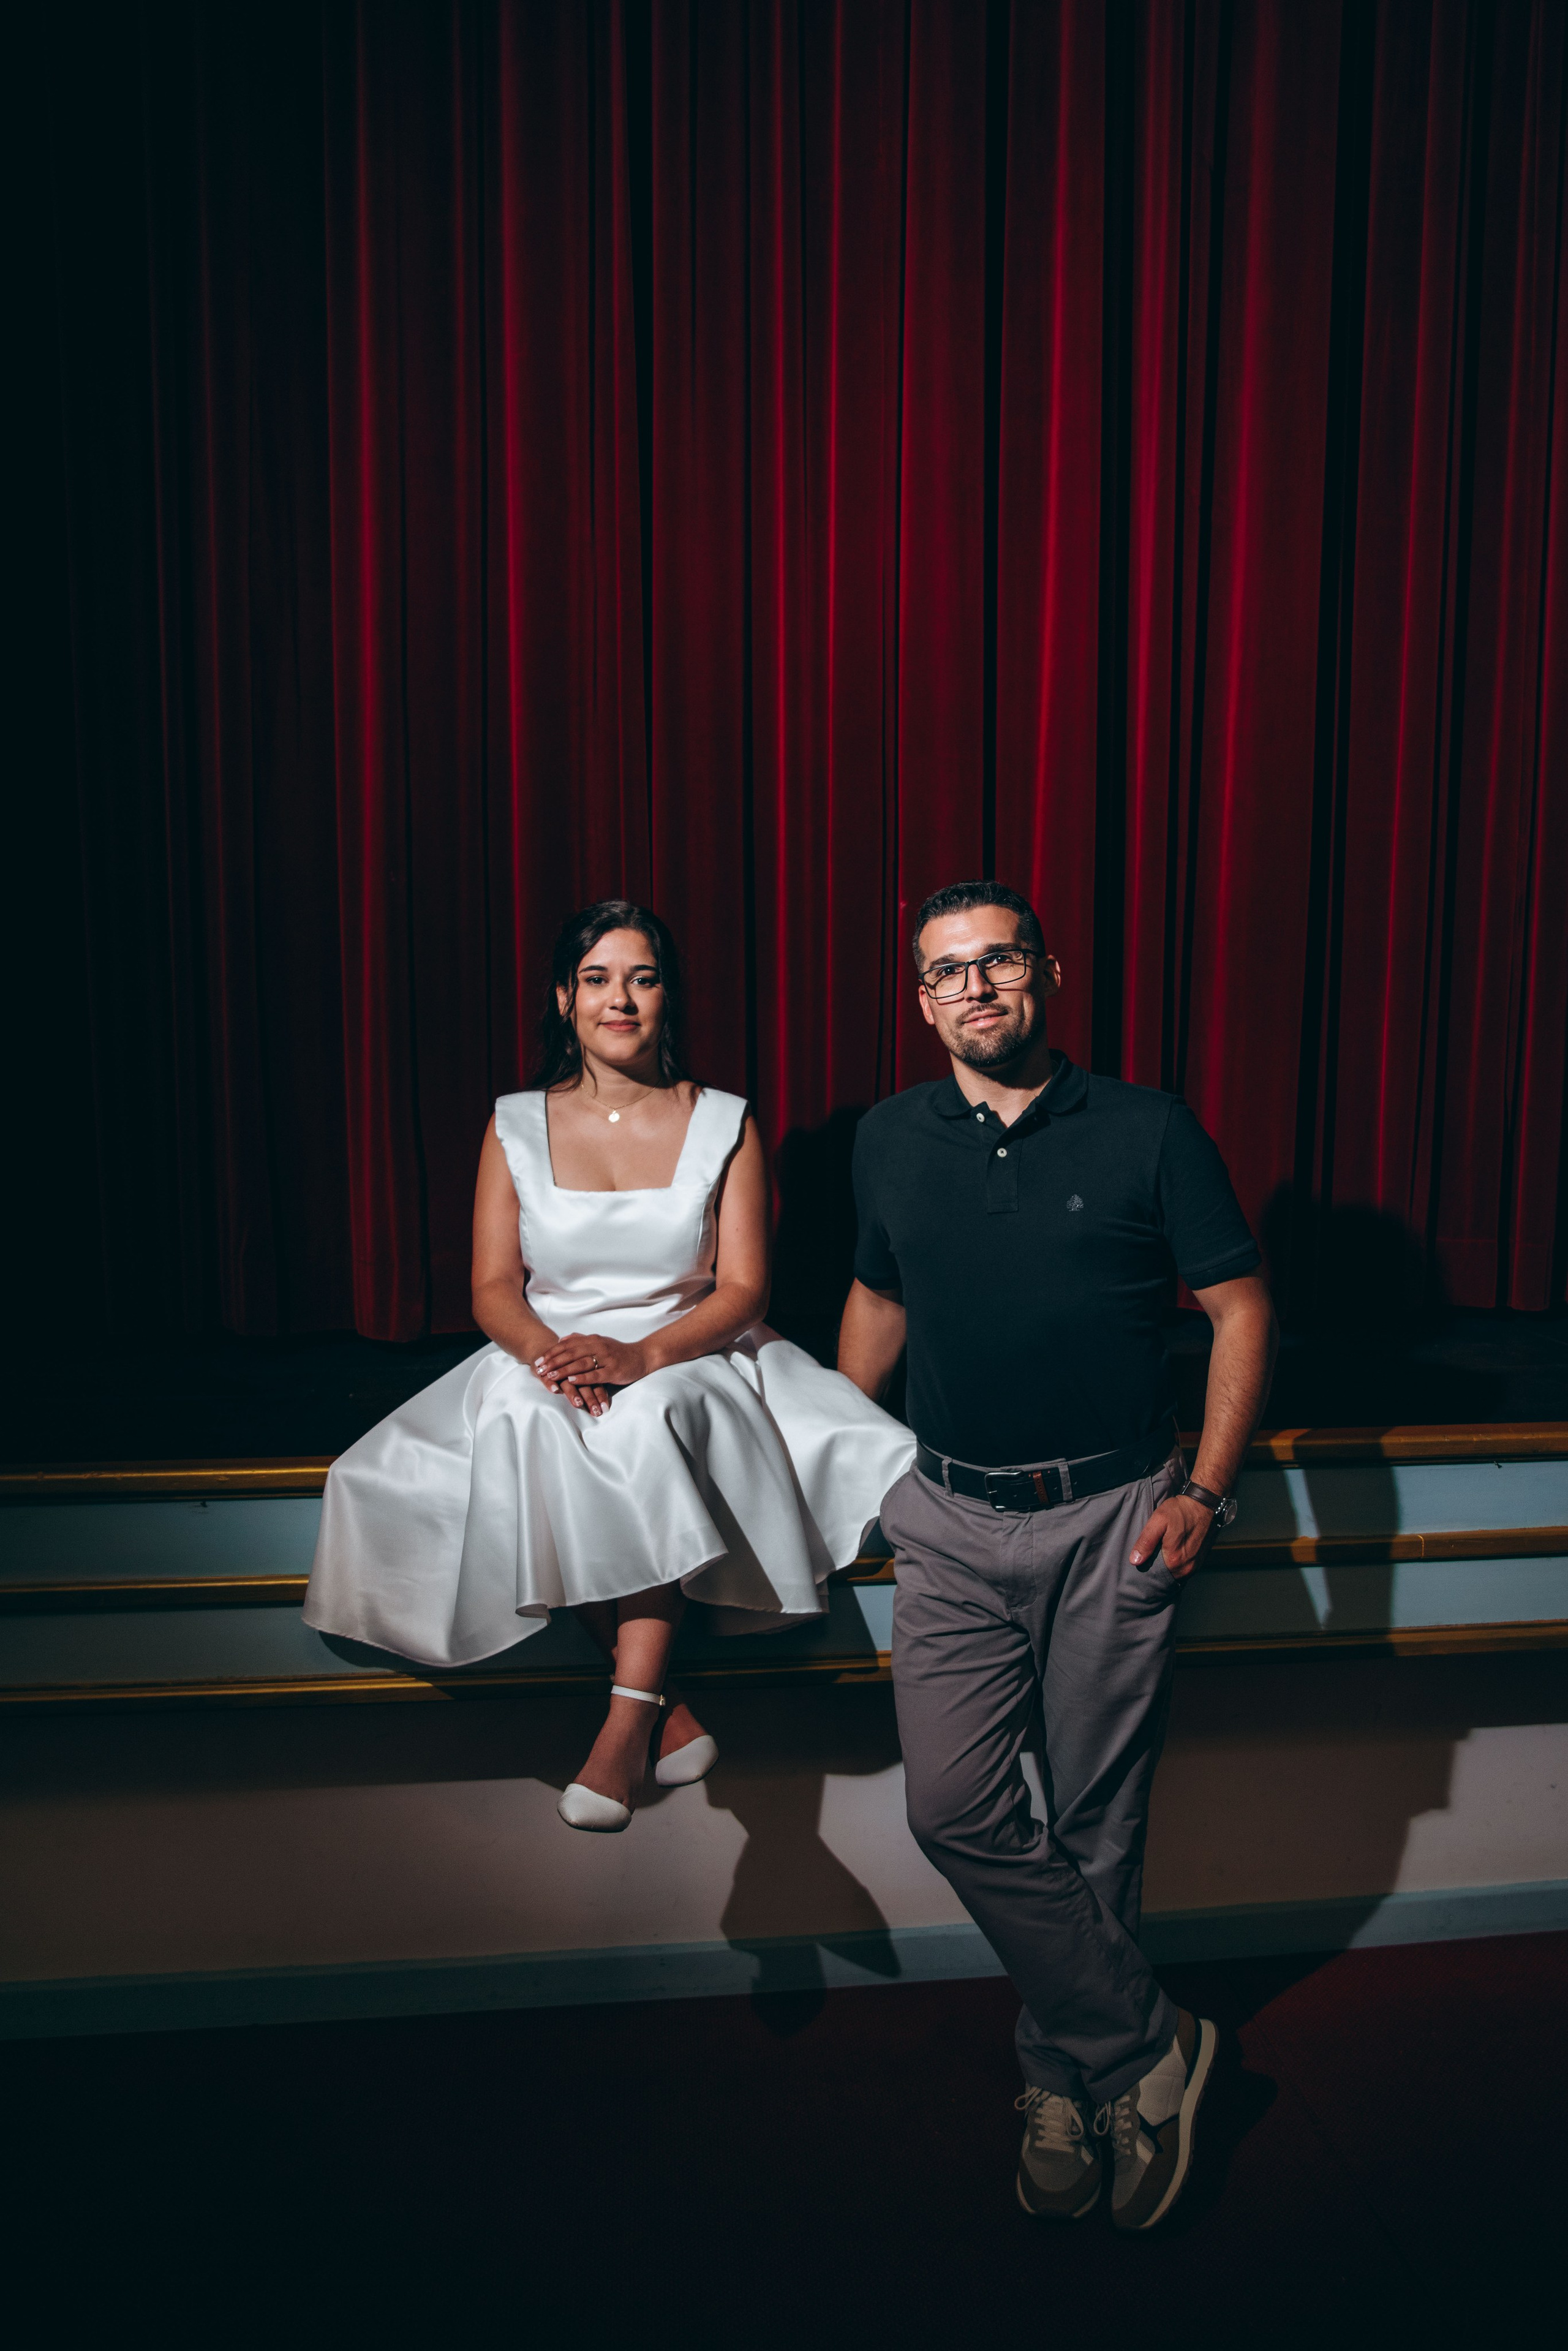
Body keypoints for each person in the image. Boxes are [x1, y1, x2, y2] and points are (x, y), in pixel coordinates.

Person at [838, 880, 1276, 2233]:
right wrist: (838, 1472)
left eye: (998, 960)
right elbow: (876, 1296)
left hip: (1112, 1513)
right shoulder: (887, 1137)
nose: (974, 986)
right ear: (920, 1000)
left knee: (1095, 1824)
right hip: (948, 1520)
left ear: (1047, 973)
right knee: (955, 1806)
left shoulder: (1148, 1127)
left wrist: (1205, 1486)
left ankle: (1065, 2079)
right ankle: (1153, 2045)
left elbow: (1238, 1303)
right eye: (945, 970)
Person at [306, 899, 913, 1833]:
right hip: (548, 1349)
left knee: (650, 1420)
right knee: (522, 1419)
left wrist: (640, 1356)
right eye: (597, 978)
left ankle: (624, 1726)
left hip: (692, 1342)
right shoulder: (513, 1124)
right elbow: (493, 1288)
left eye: (641, 976)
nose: (618, 998)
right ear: (564, 999)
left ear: (668, 998)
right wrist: (560, 1360)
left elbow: (744, 1290)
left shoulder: (726, 1122)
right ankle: (660, 1711)